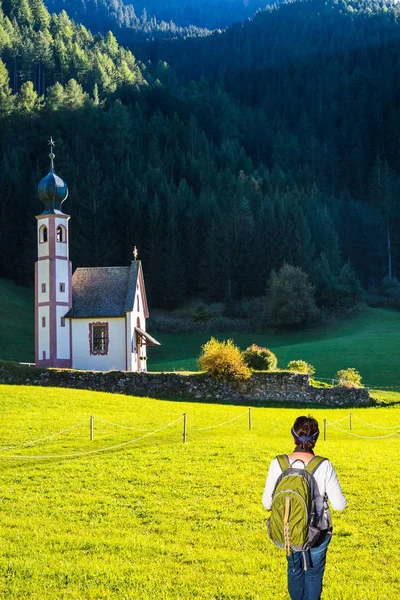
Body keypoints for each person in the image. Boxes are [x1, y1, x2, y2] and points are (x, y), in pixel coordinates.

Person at [262, 415, 347, 600]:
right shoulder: (324, 465)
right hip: (318, 533)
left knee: (294, 571)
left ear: (293, 437)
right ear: (315, 439)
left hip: (288, 531)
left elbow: (267, 503)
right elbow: (339, 505)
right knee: (313, 575)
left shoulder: (278, 463)